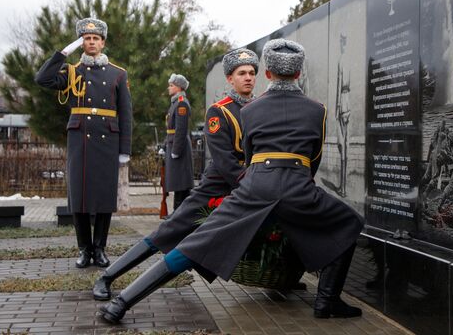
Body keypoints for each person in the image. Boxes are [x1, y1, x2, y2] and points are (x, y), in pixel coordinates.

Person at [99, 39, 364, 323]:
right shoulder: (318, 110)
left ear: (268, 74)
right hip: (298, 185)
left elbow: (250, 156)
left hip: (255, 184)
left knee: (193, 245)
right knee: (350, 222)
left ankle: (121, 304)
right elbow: (314, 159)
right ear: (298, 73)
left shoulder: (250, 111)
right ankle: (327, 300)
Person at [93, 48, 259, 300]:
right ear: (230, 79)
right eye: (241, 73)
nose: (248, 77)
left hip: (246, 186)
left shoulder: (260, 108)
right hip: (218, 186)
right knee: (168, 231)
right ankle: (107, 277)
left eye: (252, 73)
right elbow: (225, 161)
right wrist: (250, 182)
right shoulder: (219, 111)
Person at [35, 18, 132, 268]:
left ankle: (99, 248)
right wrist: (63, 52)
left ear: (103, 42)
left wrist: (124, 150)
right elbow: (42, 79)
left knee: (103, 198)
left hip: (107, 141)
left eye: (95, 38)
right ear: (81, 43)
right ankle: (83, 250)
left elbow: (126, 114)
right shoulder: (71, 71)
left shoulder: (118, 74)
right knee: (78, 198)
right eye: (86, 39)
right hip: (80, 141)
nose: (91, 42)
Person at [164, 73, 193, 210]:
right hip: (173, 145)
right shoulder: (176, 103)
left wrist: (175, 150)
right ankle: (178, 212)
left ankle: (180, 212)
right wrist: (165, 145)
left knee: (181, 183)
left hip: (179, 148)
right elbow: (170, 129)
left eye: (171, 85)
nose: (169, 88)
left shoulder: (181, 103)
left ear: (179, 88)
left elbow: (180, 130)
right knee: (177, 183)